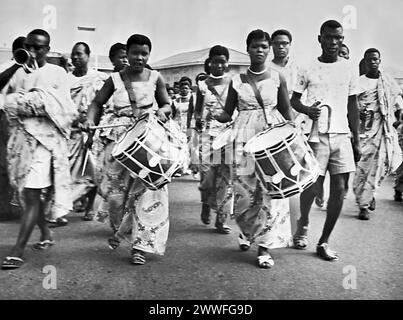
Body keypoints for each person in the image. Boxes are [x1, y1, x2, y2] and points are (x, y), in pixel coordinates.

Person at [86, 34, 172, 265]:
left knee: (148, 192)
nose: (139, 57)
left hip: (147, 138)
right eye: (135, 53)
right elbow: (96, 103)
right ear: (127, 54)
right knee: (116, 196)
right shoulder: (114, 80)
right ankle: (120, 230)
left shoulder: (156, 77)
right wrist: (89, 119)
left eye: (144, 53)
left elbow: (166, 104)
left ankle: (140, 246)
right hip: (118, 140)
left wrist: (163, 111)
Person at [216, 29, 295, 268]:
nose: (259, 50)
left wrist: (293, 134)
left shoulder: (278, 77)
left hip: (271, 137)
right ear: (247, 48)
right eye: (255, 46)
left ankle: (265, 246)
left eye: (263, 46)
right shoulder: (236, 80)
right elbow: (228, 113)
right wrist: (215, 115)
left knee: (272, 190)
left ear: (268, 49)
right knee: (245, 191)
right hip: (243, 139)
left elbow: (286, 110)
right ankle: (247, 231)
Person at [0, 29, 76, 269]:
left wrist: (25, 102)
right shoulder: (17, 72)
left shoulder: (58, 73)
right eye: (29, 46)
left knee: (31, 194)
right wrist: (15, 67)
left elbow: (62, 107)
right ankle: (46, 234)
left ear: (48, 49)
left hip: (45, 143)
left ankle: (17, 249)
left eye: (39, 47)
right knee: (27, 192)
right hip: (20, 142)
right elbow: (6, 102)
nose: (33, 51)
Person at [291, 20, 361, 261]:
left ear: (342, 40)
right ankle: (303, 222)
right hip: (316, 134)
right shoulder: (307, 68)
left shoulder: (349, 69)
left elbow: (353, 105)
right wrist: (308, 110)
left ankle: (323, 241)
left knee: (340, 190)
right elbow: (294, 100)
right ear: (319, 38)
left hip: (342, 135)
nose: (333, 42)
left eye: (338, 38)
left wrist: (357, 139)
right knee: (311, 186)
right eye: (328, 37)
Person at [353, 48, 402, 220]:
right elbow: (352, 104)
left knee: (383, 165)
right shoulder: (359, 82)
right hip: (365, 131)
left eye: (375, 59)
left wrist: (398, 115)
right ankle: (363, 201)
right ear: (365, 62)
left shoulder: (387, 81)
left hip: (384, 130)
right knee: (363, 167)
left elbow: (397, 99)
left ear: (379, 61)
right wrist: (360, 111)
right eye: (369, 60)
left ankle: (367, 199)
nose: (373, 62)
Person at [63, 42, 109, 222]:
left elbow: (103, 105)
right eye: (73, 54)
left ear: (88, 56)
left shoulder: (99, 79)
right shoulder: (65, 79)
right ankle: (74, 200)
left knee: (92, 170)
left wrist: (92, 127)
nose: (75, 57)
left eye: (79, 54)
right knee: (69, 169)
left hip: (93, 129)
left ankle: (90, 206)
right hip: (71, 130)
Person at [194, 45, 232, 234]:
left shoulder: (234, 83)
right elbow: (197, 110)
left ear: (227, 63)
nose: (218, 65)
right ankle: (206, 204)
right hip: (207, 136)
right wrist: (198, 121)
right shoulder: (202, 85)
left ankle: (221, 219)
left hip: (227, 135)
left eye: (222, 61)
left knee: (225, 178)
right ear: (209, 63)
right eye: (215, 61)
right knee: (207, 176)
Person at [315, 43, 352, 209]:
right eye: (341, 54)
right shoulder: (319, 71)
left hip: (343, 130)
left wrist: (355, 136)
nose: (342, 56)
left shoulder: (348, 72)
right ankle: (320, 191)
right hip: (321, 129)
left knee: (343, 173)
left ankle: (337, 196)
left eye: (345, 54)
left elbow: (353, 105)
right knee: (318, 171)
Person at [0, 36, 26, 221]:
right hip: (4, 119)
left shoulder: (34, 69)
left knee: (22, 165)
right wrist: (17, 64)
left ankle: (24, 208)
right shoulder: (5, 66)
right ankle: (4, 208)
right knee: (3, 165)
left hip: (24, 122)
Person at [172, 76, 195, 176]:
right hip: (177, 125)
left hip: (189, 125)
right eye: (182, 88)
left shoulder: (193, 100)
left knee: (190, 147)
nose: (184, 90)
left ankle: (189, 167)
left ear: (190, 89)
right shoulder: (175, 101)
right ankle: (179, 168)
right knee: (179, 147)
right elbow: (172, 115)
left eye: (186, 88)